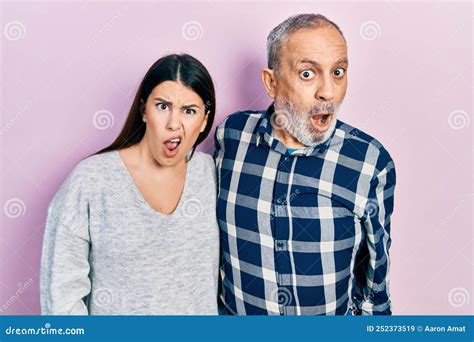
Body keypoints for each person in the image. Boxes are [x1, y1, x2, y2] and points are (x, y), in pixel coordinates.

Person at [214, 14, 396, 315]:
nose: (328, 92)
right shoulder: (230, 137)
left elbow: (374, 287)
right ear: (271, 82)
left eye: (338, 72)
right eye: (308, 74)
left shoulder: (370, 162)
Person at [41, 53, 219, 315]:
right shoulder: (92, 180)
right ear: (144, 110)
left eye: (189, 111)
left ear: (204, 120)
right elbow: (61, 296)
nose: (173, 124)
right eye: (162, 106)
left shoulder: (211, 175)